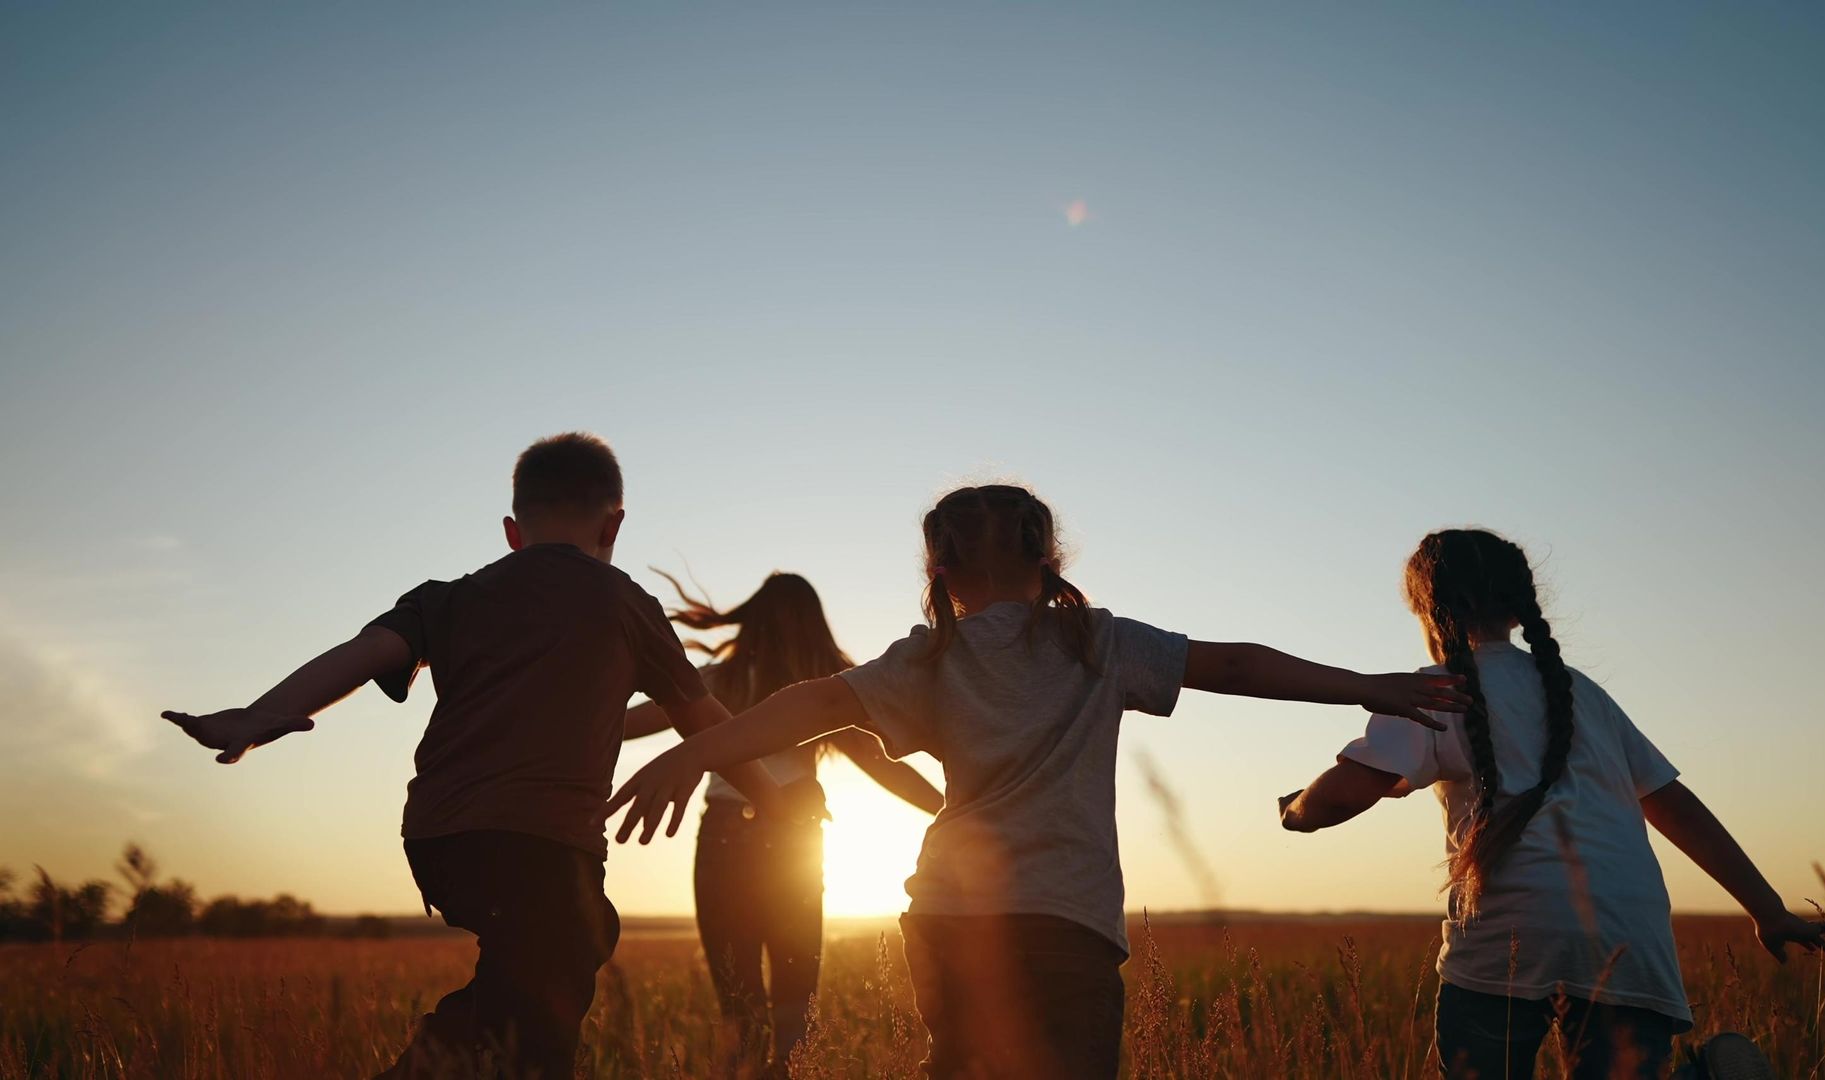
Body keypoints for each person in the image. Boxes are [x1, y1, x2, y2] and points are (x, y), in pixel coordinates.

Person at [604, 483, 1470, 1079]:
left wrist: (690, 753)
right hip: (1066, 922)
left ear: (936, 568)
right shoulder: (1099, 643)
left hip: (948, 918)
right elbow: (1235, 663)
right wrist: (1363, 684)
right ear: (1048, 556)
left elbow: (817, 703)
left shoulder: (929, 657)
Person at [160, 432, 790, 1080]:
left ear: (513, 531)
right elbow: (707, 725)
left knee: (536, 971)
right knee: (556, 974)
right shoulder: (625, 603)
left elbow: (363, 651)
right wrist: (777, 800)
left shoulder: (448, 598)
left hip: (440, 839)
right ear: (615, 523)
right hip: (544, 843)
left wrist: (260, 714)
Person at [1279, 528, 1825, 1080]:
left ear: (1426, 607)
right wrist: (1766, 909)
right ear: (1522, 608)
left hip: (1508, 936)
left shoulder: (1432, 690)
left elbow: (1346, 794)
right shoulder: (1580, 692)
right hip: (1629, 933)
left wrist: (1295, 810)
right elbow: (1673, 803)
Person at [621, 570, 944, 1074]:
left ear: (751, 622)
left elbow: (624, 726)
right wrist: (954, 809)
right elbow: (885, 768)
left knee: (738, 1006)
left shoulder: (714, 683)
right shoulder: (825, 693)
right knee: (795, 1003)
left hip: (726, 840)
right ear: (814, 627)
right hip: (795, 840)